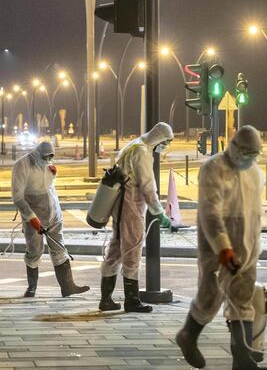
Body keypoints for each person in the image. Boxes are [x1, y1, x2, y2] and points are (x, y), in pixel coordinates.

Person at [175, 125, 267, 370]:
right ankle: (188, 335)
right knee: (211, 295)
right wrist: (223, 247)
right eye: (246, 154)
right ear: (234, 147)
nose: (249, 160)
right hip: (219, 246)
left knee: (243, 298)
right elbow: (210, 213)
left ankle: (243, 358)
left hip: (248, 244)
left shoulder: (254, 172)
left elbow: (254, 209)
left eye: (254, 155)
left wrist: (255, 241)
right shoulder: (213, 168)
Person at [99, 122, 174, 313]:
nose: (164, 146)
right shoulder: (142, 152)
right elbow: (147, 186)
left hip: (119, 204)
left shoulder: (133, 145)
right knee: (132, 250)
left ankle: (106, 299)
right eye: (165, 142)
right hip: (131, 206)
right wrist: (159, 212)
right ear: (159, 138)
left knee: (115, 251)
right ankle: (132, 301)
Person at [12, 141, 89, 298]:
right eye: (46, 157)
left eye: (51, 158)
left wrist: (54, 174)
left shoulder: (47, 162)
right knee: (34, 250)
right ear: (37, 154)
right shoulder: (22, 166)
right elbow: (18, 197)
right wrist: (31, 218)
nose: (49, 160)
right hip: (34, 215)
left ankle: (68, 287)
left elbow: (47, 187)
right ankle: (31, 288)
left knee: (59, 248)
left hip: (54, 212)